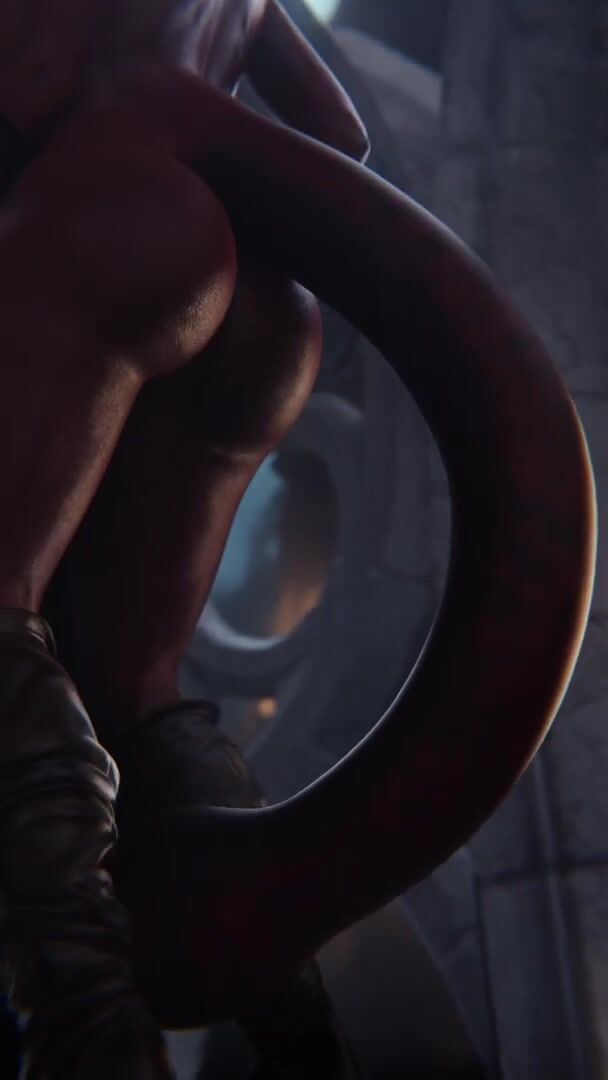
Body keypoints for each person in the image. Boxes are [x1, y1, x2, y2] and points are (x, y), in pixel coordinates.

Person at [0, 2, 369, 1075]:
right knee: (141, 688)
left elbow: (31, 77)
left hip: (108, 221)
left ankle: (87, 1030)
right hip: (258, 302)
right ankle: (298, 1040)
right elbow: (339, 135)